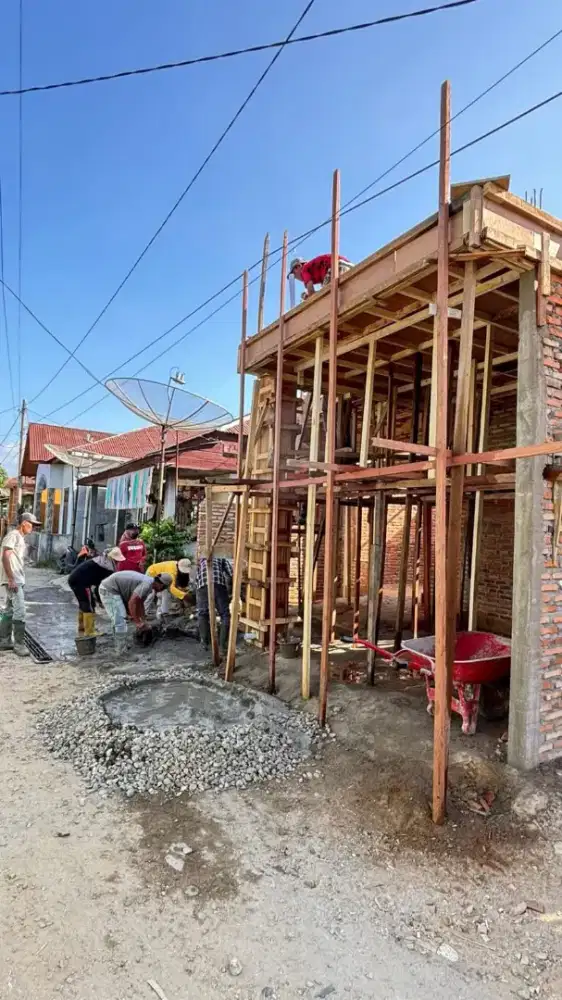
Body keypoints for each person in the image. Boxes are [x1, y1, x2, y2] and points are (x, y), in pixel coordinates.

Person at [98, 570, 172, 652]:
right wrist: (137, 622)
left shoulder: (149, 584)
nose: (162, 590)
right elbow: (132, 602)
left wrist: (143, 620)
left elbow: (140, 603)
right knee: (120, 621)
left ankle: (122, 646)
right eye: (164, 587)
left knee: (123, 620)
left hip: (115, 590)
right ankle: (121, 652)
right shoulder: (147, 585)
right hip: (108, 589)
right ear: (161, 584)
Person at [0, 511, 41, 656]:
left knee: (9, 610)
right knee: (20, 611)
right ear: (24, 523)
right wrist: (11, 578)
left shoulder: (20, 537)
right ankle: (19, 645)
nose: (33, 528)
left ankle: (4, 641)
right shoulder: (13, 535)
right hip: (14, 580)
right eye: (32, 525)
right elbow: (5, 555)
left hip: (16, 579)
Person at [68, 546, 125, 636]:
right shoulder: (106, 568)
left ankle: (82, 627)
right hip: (81, 582)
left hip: (76, 579)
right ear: (113, 558)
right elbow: (100, 586)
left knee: (84, 603)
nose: (118, 562)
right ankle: (90, 632)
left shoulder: (102, 560)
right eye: (117, 560)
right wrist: (101, 600)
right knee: (89, 605)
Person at [195, 555, 232, 654]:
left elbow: (196, 579)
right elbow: (232, 573)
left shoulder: (202, 561)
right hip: (218, 584)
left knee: (202, 613)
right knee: (225, 614)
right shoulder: (222, 557)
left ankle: (204, 643)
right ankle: (222, 646)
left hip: (202, 586)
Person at [288, 254, 353, 300]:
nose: (297, 279)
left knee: (325, 297)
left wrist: (308, 296)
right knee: (327, 291)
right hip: (348, 266)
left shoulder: (304, 270)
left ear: (298, 267)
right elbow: (324, 285)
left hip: (337, 266)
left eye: (294, 276)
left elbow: (311, 293)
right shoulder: (317, 270)